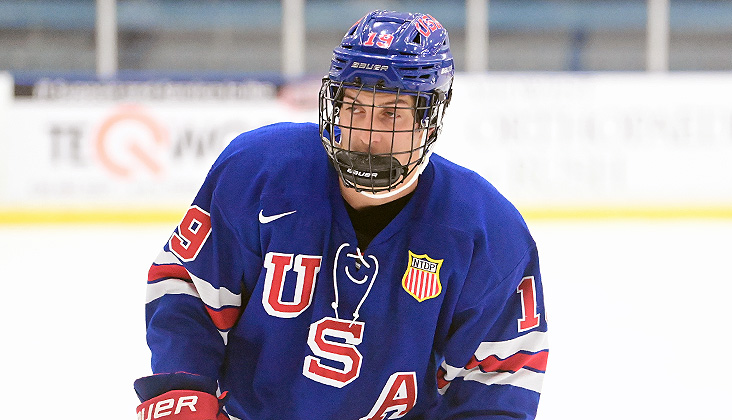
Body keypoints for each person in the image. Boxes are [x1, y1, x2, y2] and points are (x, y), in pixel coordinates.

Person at [135, 10, 549, 420]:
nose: (367, 135)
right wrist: (183, 388)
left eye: (392, 113)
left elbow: (497, 379)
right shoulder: (259, 172)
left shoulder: (487, 232)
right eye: (354, 108)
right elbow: (189, 287)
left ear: (429, 119)